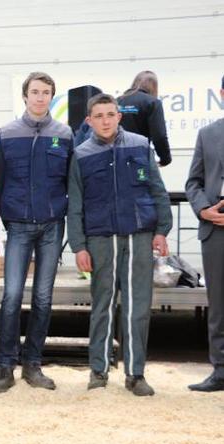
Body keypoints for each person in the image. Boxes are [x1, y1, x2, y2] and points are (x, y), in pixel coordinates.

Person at [67, 93, 172, 396]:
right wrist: (79, 246)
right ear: (89, 120)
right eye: (98, 116)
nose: (105, 121)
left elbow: (157, 188)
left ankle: (135, 373)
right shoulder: (81, 154)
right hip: (101, 239)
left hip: (139, 236)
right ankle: (98, 371)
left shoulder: (140, 145)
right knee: (103, 306)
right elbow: (75, 204)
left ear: (119, 116)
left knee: (137, 307)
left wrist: (162, 229)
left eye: (110, 114)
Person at [0, 71, 73, 394]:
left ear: (52, 96)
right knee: (10, 296)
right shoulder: (8, 133)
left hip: (52, 226)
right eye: (35, 92)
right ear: (25, 96)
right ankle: (5, 367)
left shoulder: (64, 134)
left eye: (46, 92)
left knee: (42, 297)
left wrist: (60, 214)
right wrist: (9, 218)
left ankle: (33, 365)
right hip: (19, 227)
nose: (40, 97)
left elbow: (70, 181)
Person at [184, 75, 224, 392]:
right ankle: (220, 371)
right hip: (215, 230)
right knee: (218, 305)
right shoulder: (208, 134)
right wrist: (202, 209)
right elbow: (193, 182)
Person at [117, 71, 172, 167]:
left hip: (115, 157)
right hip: (139, 157)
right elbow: (159, 135)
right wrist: (165, 159)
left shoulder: (117, 101)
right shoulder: (153, 102)